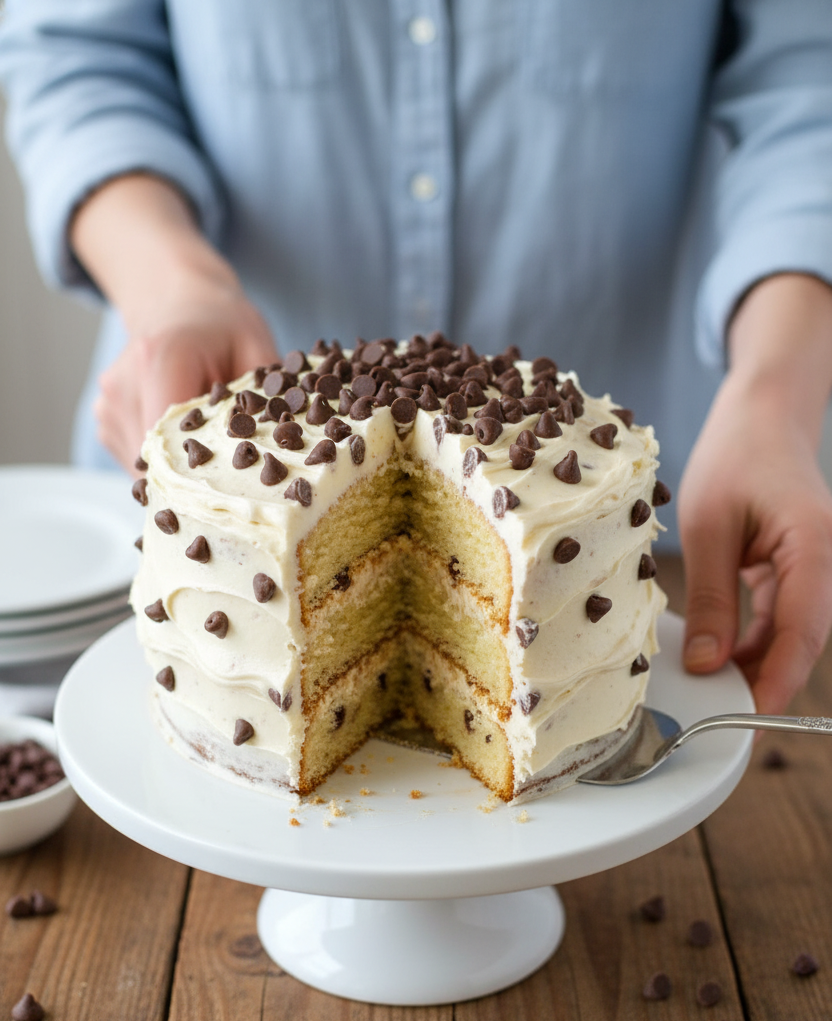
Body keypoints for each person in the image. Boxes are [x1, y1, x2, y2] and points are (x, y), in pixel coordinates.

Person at [1, 1, 832, 718]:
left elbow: (809, 76)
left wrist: (776, 392)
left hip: (671, 504)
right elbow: (78, 56)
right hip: (218, 442)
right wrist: (173, 289)